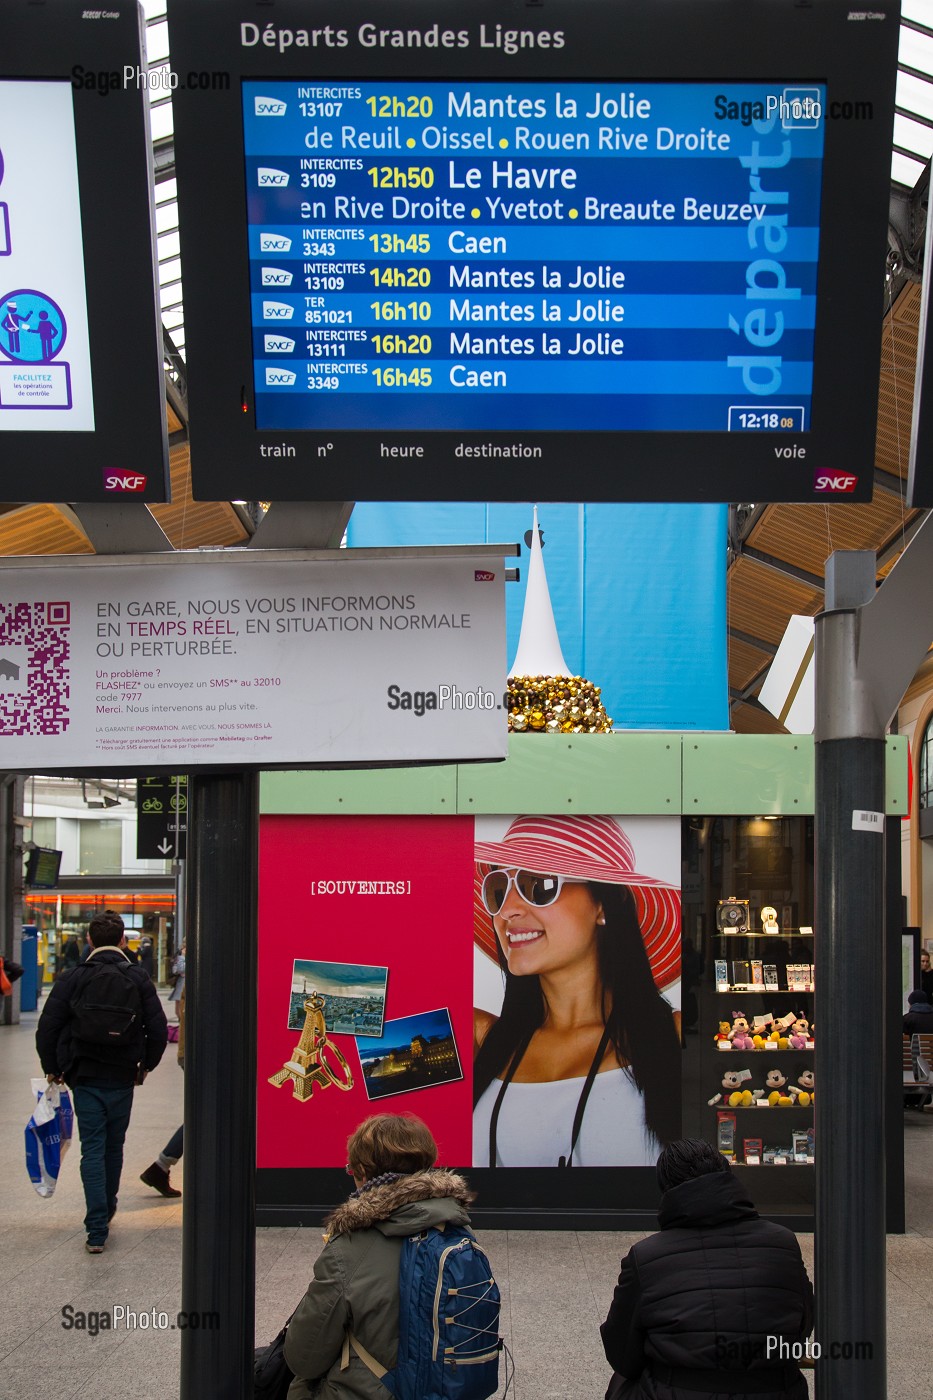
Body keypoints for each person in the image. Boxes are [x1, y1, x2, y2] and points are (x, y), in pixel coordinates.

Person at [472, 815, 681, 1167]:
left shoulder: (673, 1038)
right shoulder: (479, 1037)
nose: (507, 910)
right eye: (498, 889)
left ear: (602, 905)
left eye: (537, 884)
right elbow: (369, 1042)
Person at [600, 1138, 814, 1400]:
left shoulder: (646, 1257)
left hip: (678, 1392)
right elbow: (802, 1329)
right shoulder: (783, 1243)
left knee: (621, 1381)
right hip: (775, 1391)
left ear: (666, 1190)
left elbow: (622, 1355)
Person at [284, 1113, 475, 1400]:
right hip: (450, 1390)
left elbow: (303, 1358)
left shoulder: (348, 1248)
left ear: (362, 1171)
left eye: (351, 1170)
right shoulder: (458, 1229)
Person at [35, 908, 167, 1253]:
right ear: (123, 940)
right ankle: (107, 1207)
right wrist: (146, 1065)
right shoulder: (137, 977)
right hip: (123, 1074)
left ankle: (96, 1230)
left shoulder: (72, 977)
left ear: (89, 940)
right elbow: (156, 1027)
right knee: (114, 1145)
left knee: (92, 1147)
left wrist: (53, 1066)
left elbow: (47, 1027)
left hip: (85, 1074)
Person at [141, 982, 184, 1197]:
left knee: (208, 1112)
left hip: (194, 1048)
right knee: (209, 1112)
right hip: (206, 1051)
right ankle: (161, 1165)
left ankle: (161, 1166)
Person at [168, 942, 186, 1020]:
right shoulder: (180, 957)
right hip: (181, 984)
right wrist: (182, 957)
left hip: (183, 985)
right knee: (179, 1009)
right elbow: (177, 970)